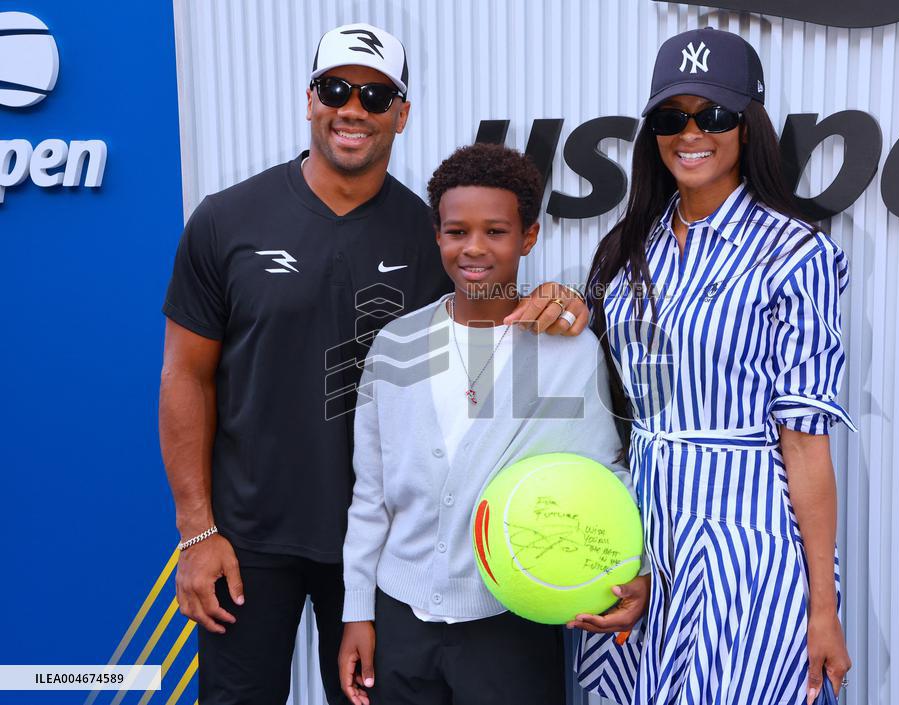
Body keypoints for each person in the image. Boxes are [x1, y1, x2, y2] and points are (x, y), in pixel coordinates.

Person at [158, 23, 588, 705]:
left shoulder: (434, 233)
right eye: (337, 88)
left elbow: (486, 313)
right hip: (246, 540)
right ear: (310, 100)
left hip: (379, 554)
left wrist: (556, 296)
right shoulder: (227, 220)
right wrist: (196, 530)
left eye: (376, 94)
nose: (353, 107)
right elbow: (185, 375)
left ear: (402, 113)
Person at [578, 27, 856, 705]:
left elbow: (805, 438)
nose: (691, 132)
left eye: (715, 115)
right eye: (673, 117)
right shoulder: (629, 246)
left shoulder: (795, 252)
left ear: (747, 125)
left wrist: (824, 605)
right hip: (639, 531)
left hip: (743, 541)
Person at [336, 143, 647, 705]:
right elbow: (371, 492)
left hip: (510, 621)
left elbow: (602, 478)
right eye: (457, 231)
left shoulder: (566, 353)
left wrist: (629, 572)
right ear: (437, 235)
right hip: (400, 617)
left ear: (528, 237)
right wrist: (358, 611)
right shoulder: (396, 344)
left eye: (496, 231)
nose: (474, 248)